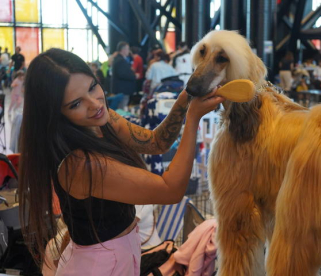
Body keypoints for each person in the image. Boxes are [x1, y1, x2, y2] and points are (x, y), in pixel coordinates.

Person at [19, 48, 224, 275]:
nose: (95, 104)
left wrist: (185, 98)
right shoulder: (81, 165)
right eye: (76, 104)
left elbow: (156, 142)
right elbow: (170, 191)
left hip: (117, 256)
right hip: (100, 266)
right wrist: (193, 119)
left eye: (92, 87)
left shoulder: (100, 120)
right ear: (55, 113)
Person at [111, 41, 137, 109]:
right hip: (122, 90)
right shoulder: (121, 60)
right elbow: (122, 74)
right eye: (128, 49)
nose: (129, 51)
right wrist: (134, 75)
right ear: (123, 50)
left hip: (121, 89)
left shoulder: (119, 59)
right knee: (121, 109)